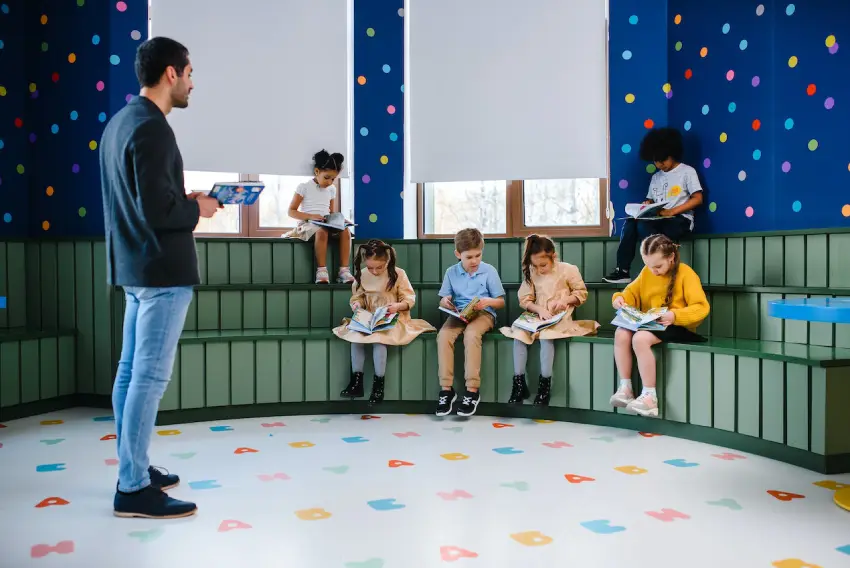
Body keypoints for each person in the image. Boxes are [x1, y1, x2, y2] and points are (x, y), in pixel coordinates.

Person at [100, 37, 220, 518]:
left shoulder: (120, 124)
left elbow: (140, 199)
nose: (192, 83)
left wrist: (179, 197)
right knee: (147, 377)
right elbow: (157, 210)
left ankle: (134, 466)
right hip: (161, 270)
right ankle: (132, 487)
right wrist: (199, 208)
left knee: (130, 374)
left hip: (133, 267)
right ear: (172, 73)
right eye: (190, 73)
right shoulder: (154, 129)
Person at [609, 234, 710, 417]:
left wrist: (675, 315)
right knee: (621, 333)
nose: (653, 271)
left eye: (658, 266)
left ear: (671, 258)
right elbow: (631, 291)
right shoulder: (647, 272)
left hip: (679, 326)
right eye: (648, 265)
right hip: (653, 323)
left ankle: (650, 396)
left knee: (640, 339)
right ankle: (625, 387)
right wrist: (620, 299)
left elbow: (702, 307)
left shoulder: (686, 273)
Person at [499, 234, 599, 405]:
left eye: (543, 265)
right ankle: (519, 383)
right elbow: (525, 299)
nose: (539, 270)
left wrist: (564, 301)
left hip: (559, 319)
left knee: (546, 339)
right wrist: (539, 309)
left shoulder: (568, 270)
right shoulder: (532, 272)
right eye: (535, 266)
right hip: (537, 316)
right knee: (519, 337)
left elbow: (581, 293)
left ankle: (544, 385)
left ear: (553, 256)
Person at [333, 240, 436, 403]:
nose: (374, 271)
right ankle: (356, 381)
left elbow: (409, 298)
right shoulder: (363, 274)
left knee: (379, 340)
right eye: (371, 267)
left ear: (387, 260)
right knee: (355, 339)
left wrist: (397, 306)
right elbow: (357, 295)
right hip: (368, 316)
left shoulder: (398, 274)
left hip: (392, 317)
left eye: (379, 267)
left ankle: (378, 385)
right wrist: (356, 304)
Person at [604, 127, 704, 284]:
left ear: (673, 154)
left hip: (679, 220)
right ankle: (622, 270)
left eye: (663, 160)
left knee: (644, 227)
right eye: (655, 161)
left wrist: (671, 211)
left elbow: (698, 199)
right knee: (631, 222)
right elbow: (650, 200)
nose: (659, 164)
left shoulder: (687, 172)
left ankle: (654, 269)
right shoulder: (656, 177)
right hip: (658, 219)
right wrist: (646, 205)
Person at [435, 228, 506, 417]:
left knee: (471, 335)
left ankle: (472, 390)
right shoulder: (451, 272)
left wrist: (487, 302)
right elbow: (443, 298)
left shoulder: (489, 271)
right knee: (443, 336)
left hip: (483, 313)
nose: (474, 261)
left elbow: (500, 301)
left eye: (478, 255)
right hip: (458, 314)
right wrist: (446, 302)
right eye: (469, 257)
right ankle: (446, 389)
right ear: (458, 254)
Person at [285, 150, 354, 284]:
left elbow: (331, 212)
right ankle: (321, 270)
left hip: (326, 223)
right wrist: (311, 216)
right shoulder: (304, 187)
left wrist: (338, 220)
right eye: (327, 177)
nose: (330, 182)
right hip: (308, 224)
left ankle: (344, 271)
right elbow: (291, 211)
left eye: (333, 179)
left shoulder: (332, 189)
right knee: (321, 232)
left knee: (345, 231)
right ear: (317, 172)